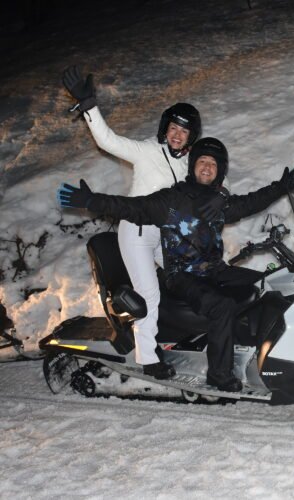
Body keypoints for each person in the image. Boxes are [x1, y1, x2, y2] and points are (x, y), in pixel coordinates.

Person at [57, 137, 294, 391]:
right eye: (202, 161)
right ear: (193, 165)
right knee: (221, 306)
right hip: (182, 276)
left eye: (213, 164)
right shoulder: (171, 201)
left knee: (269, 284)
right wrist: (91, 201)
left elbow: (251, 202)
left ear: (220, 171)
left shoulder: (218, 203)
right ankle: (219, 374)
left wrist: (281, 186)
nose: (207, 167)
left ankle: (268, 354)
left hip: (215, 270)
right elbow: (133, 207)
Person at [61, 66, 202, 380]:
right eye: (173, 128)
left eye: (184, 131)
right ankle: (148, 358)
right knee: (149, 293)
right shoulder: (147, 151)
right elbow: (108, 141)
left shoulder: (189, 164)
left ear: (191, 136)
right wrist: (88, 106)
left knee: (191, 277)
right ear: (165, 128)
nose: (177, 135)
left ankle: (186, 332)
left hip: (166, 235)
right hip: (136, 232)